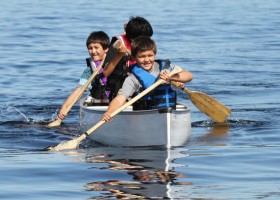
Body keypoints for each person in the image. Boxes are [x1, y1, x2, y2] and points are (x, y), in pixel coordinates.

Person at [102, 36, 193, 122]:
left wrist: (171, 77)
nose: (146, 60)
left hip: (171, 113)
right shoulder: (133, 79)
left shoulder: (165, 68)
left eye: (150, 55)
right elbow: (120, 98)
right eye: (141, 56)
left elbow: (189, 76)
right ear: (134, 57)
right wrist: (109, 112)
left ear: (155, 54)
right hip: (149, 116)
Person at [57, 31, 110, 121]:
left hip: (118, 101)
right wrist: (64, 108)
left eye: (96, 47)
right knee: (86, 101)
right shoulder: (89, 71)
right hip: (101, 103)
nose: (93, 51)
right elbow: (79, 90)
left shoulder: (116, 63)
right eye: (90, 48)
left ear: (106, 49)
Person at [102, 16, 154, 101]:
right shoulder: (118, 44)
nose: (145, 42)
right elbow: (106, 73)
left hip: (140, 86)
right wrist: (118, 55)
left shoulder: (146, 44)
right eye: (143, 39)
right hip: (121, 87)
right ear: (133, 38)